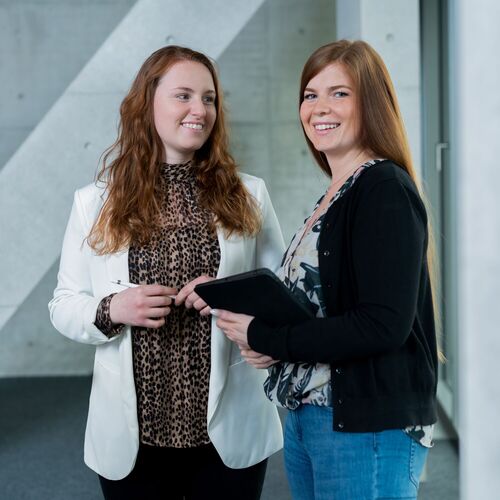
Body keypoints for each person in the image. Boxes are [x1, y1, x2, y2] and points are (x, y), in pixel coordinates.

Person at [48, 45, 285, 500]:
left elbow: (278, 293)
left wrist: (230, 294)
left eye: (209, 98)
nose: (200, 110)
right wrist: (111, 307)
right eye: (184, 96)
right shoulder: (94, 202)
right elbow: (63, 304)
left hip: (227, 431)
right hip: (132, 439)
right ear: (147, 104)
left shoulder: (249, 194)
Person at [215, 39, 439, 500]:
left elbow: (381, 326)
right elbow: (326, 308)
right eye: (310, 94)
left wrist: (269, 338)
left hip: (366, 426)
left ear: (371, 103)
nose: (319, 107)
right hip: (312, 416)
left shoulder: (382, 189)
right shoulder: (336, 193)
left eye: (340, 93)